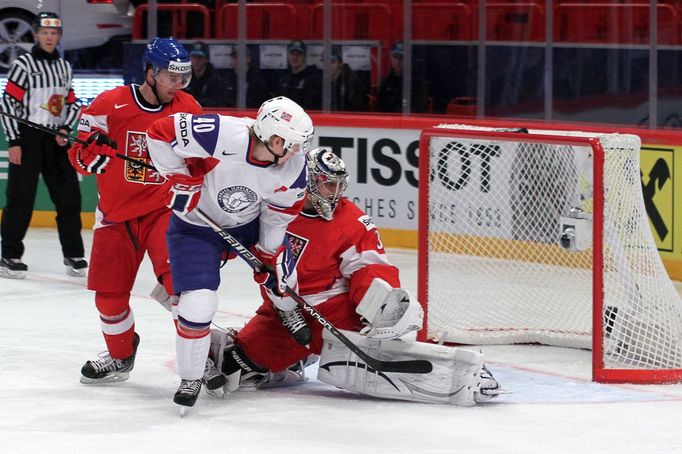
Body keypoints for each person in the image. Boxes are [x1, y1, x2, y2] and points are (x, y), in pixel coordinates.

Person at [205, 148, 502, 406]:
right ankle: (293, 358)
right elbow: (233, 240)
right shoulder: (273, 207)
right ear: (305, 183)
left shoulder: (351, 221)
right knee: (236, 366)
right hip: (280, 314)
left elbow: (368, 267)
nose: (334, 193)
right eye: (326, 185)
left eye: (337, 185)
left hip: (334, 310)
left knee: (378, 354)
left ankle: (461, 373)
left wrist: (381, 304)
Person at [145, 95, 315, 409]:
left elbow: (280, 214)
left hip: (249, 224)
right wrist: (180, 177)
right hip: (195, 226)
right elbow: (159, 132)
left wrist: (266, 251)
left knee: (281, 274)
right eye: (291, 144)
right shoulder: (220, 132)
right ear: (274, 138)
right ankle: (192, 376)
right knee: (198, 304)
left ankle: (287, 309)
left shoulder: (293, 168)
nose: (296, 152)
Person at [68, 37, 202, 385]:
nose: (178, 85)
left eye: (183, 78)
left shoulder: (188, 110)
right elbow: (80, 156)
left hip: (165, 212)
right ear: (150, 72)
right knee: (109, 299)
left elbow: (204, 162)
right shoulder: (109, 104)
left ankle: (200, 360)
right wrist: (89, 156)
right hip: (116, 215)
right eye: (172, 77)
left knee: (181, 289)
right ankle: (120, 355)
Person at [0, 12, 86, 279]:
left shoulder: (64, 67)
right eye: (44, 33)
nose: (49, 37)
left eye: (54, 33)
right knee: (20, 198)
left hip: (55, 139)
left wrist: (64, 128)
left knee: (69, 197)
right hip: (28, 136)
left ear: (59, 36)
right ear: (35, 35)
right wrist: (14, 141)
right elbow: (8, 105)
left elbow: (72, 102)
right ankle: (9, 255)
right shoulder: (23, 65)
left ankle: (73, 254)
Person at [377, 41, 429, 113]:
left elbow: (419, 108)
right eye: (395, 56)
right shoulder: (386, 82)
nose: (398, 61)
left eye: (402, 57)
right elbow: (379, 108)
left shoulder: (417, 82)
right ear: (390, 58)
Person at [276, 40, 322, 110]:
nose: (295, 57)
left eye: (298, 54)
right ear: (288, 56)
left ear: (305, 56)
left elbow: (312, 106)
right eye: (292, 54)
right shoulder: (284, 80)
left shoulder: (313, 79)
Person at [184, 41, 228, 108]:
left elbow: (219, 103)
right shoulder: (185, 77)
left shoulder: (216, 80)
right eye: (193, 57)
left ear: (206, 59)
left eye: (200, 57)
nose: (196, 61)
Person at [329, 47, 368, 112]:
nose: (328, 65)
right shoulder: (321, 82)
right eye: (325, 61)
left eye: (332, 62)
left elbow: (358, 109)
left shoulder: (352, 83)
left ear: (340, 63)